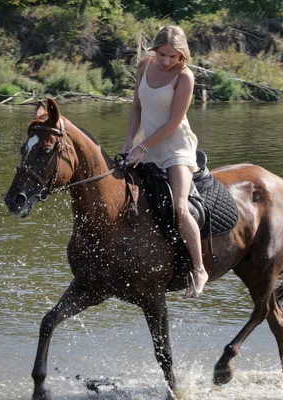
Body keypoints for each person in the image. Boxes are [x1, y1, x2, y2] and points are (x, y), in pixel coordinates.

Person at [120, 25, 209, 298]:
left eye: (173, 56)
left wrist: (143, 147)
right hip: (144, 144)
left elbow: (173, 122)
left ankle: (199, 269)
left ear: (182, 55)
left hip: (175, 148)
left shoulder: (185, 77)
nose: (167, 61)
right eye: (163, 55)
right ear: (154, 50)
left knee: (180, 208)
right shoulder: (145, 66)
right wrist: (129, 143)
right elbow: (136, 107)